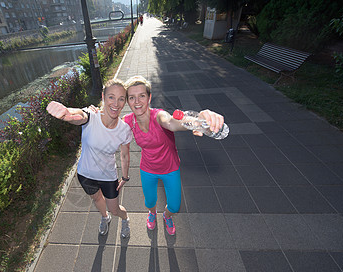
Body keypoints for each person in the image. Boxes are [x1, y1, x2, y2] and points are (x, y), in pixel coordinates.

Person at [123, 76, 225, 235]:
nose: (137, 101)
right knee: (149, 202)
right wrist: (90, 113)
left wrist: (199, 120)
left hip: (170, 168)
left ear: (149, 97)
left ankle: (166, 216)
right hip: (147, 169)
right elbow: (108, 122)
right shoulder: (128, 121)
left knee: (174, 206)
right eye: (132, 97)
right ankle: (152, 214)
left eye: (142, 95)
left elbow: (172, 122)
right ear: (128, 101)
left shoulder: (159, 116)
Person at [46, 79, 132, 238]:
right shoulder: (91, 115)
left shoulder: (124, 129)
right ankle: (104, 218)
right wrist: (66, 114)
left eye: (121, 98)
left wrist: (125, 177)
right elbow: (78, 115)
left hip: (108, 177)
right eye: (111, 97)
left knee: (115, 209)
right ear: (103, 97)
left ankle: (125, 219)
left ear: (125, 101)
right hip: (86, 175)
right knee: (97, 199)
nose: (116, 103)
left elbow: (125, 155)